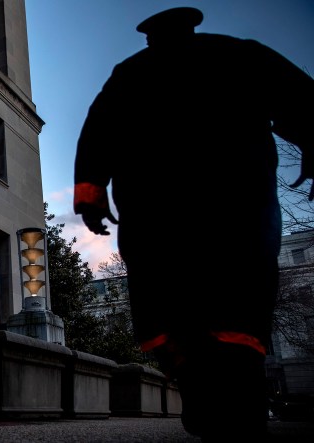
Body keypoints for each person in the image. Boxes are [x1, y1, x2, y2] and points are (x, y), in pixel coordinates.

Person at [73, 6, 313, 440]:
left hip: (170, 211)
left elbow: (96, 135)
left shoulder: (133, 72)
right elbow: (299, 98)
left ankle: (213, 388)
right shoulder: (239, 55)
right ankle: (220, 389)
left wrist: (91, 196)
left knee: (182, 303)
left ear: (154, 37)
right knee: (231, 298)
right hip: (230, 206)